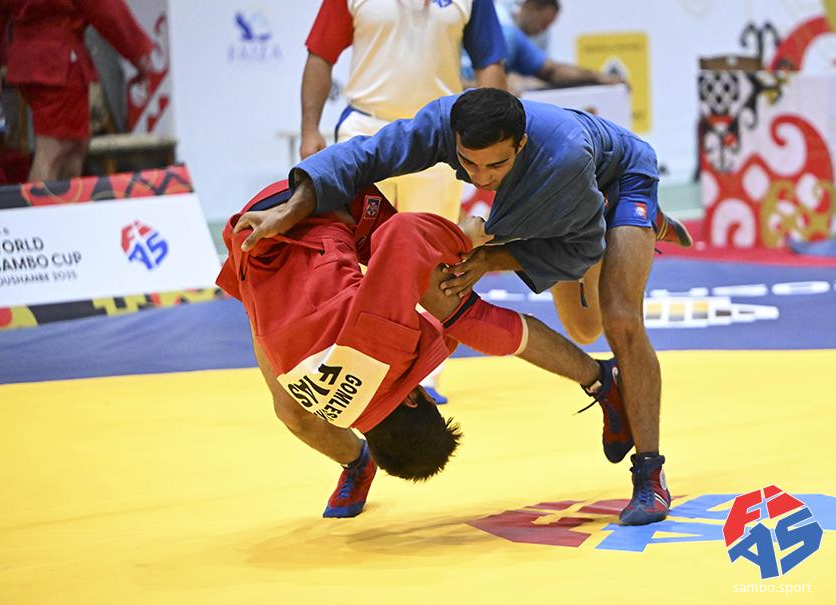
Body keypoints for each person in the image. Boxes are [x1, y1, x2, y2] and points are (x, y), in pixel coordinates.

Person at [236, 88, 683, 525]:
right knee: (577, 326)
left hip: (610, 176)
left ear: (520, 145)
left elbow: (579, 248)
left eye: (495, 165)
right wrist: (295, 207)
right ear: (454, 142)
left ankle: (650, 473)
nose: (481, 178)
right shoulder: (443, 124)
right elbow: (367, 157)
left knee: (618, 319)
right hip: (270, 239)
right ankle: (602, 369)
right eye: (469, 163)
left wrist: (477, 250)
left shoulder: (559, 160)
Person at [220, 177, 629, 520]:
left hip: (317, 207)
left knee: (461, 312)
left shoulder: (385, 348)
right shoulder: (330, 408)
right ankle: (357, 463)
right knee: (292, 412)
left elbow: (403, 234)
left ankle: (599, 378)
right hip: (246, 242)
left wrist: (463, 238)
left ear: (415, 399)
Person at [301, 0, 509, 404]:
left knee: (437, 259)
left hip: (439, 136)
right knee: (351, 257)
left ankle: (426, 373)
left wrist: (494, 139)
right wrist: (310, 129)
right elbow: (320, 54)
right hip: (364, 130)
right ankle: (355, 370)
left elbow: (490, 61)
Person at [0, 0, 154, 182]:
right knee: (54, 150)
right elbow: (105, 7)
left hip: (33, 57)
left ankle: (64, 199)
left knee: (74, 146)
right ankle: (40, 201)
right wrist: (137, 52)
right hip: (59, 58)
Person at [462, 0, 624, 92]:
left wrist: (596, 77)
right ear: (531, 6)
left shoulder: (515, 38)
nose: (542, 31)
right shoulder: (505, 31)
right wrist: (497, 89)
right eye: (543, 23)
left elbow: (551, 70)